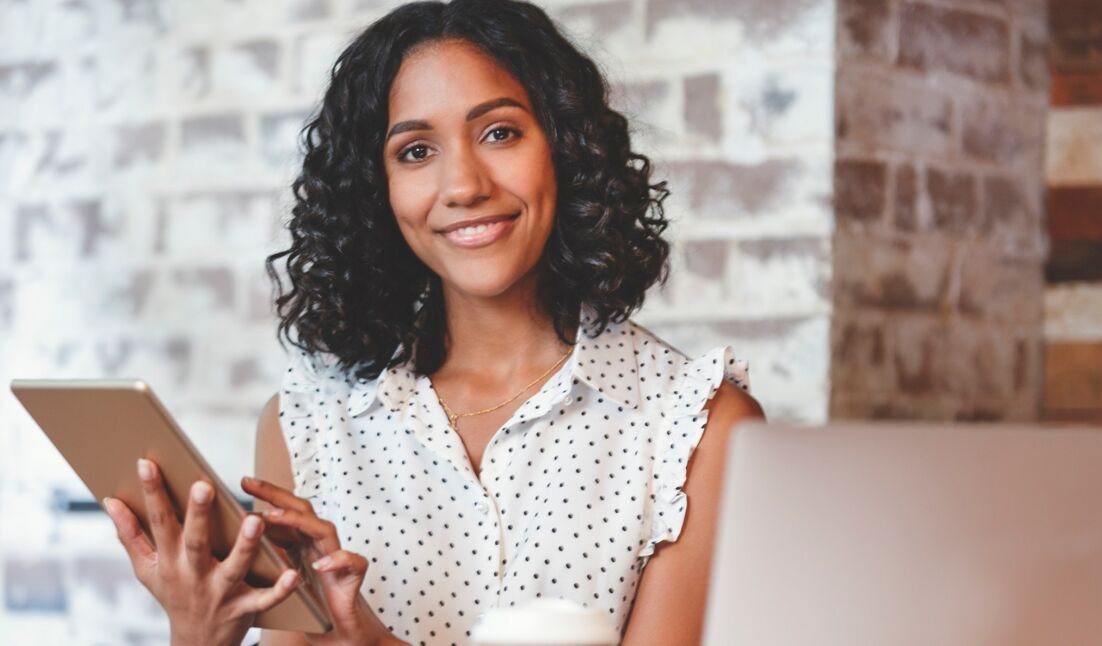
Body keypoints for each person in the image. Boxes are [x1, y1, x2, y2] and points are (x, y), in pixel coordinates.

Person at [102, 1, 765, 644]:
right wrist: (199, 634)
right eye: (416, 151)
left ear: (564, 149)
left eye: (500, 133)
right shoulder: (307, 425)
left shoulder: (695, 426)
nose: (464, 185)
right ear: (378, 190)